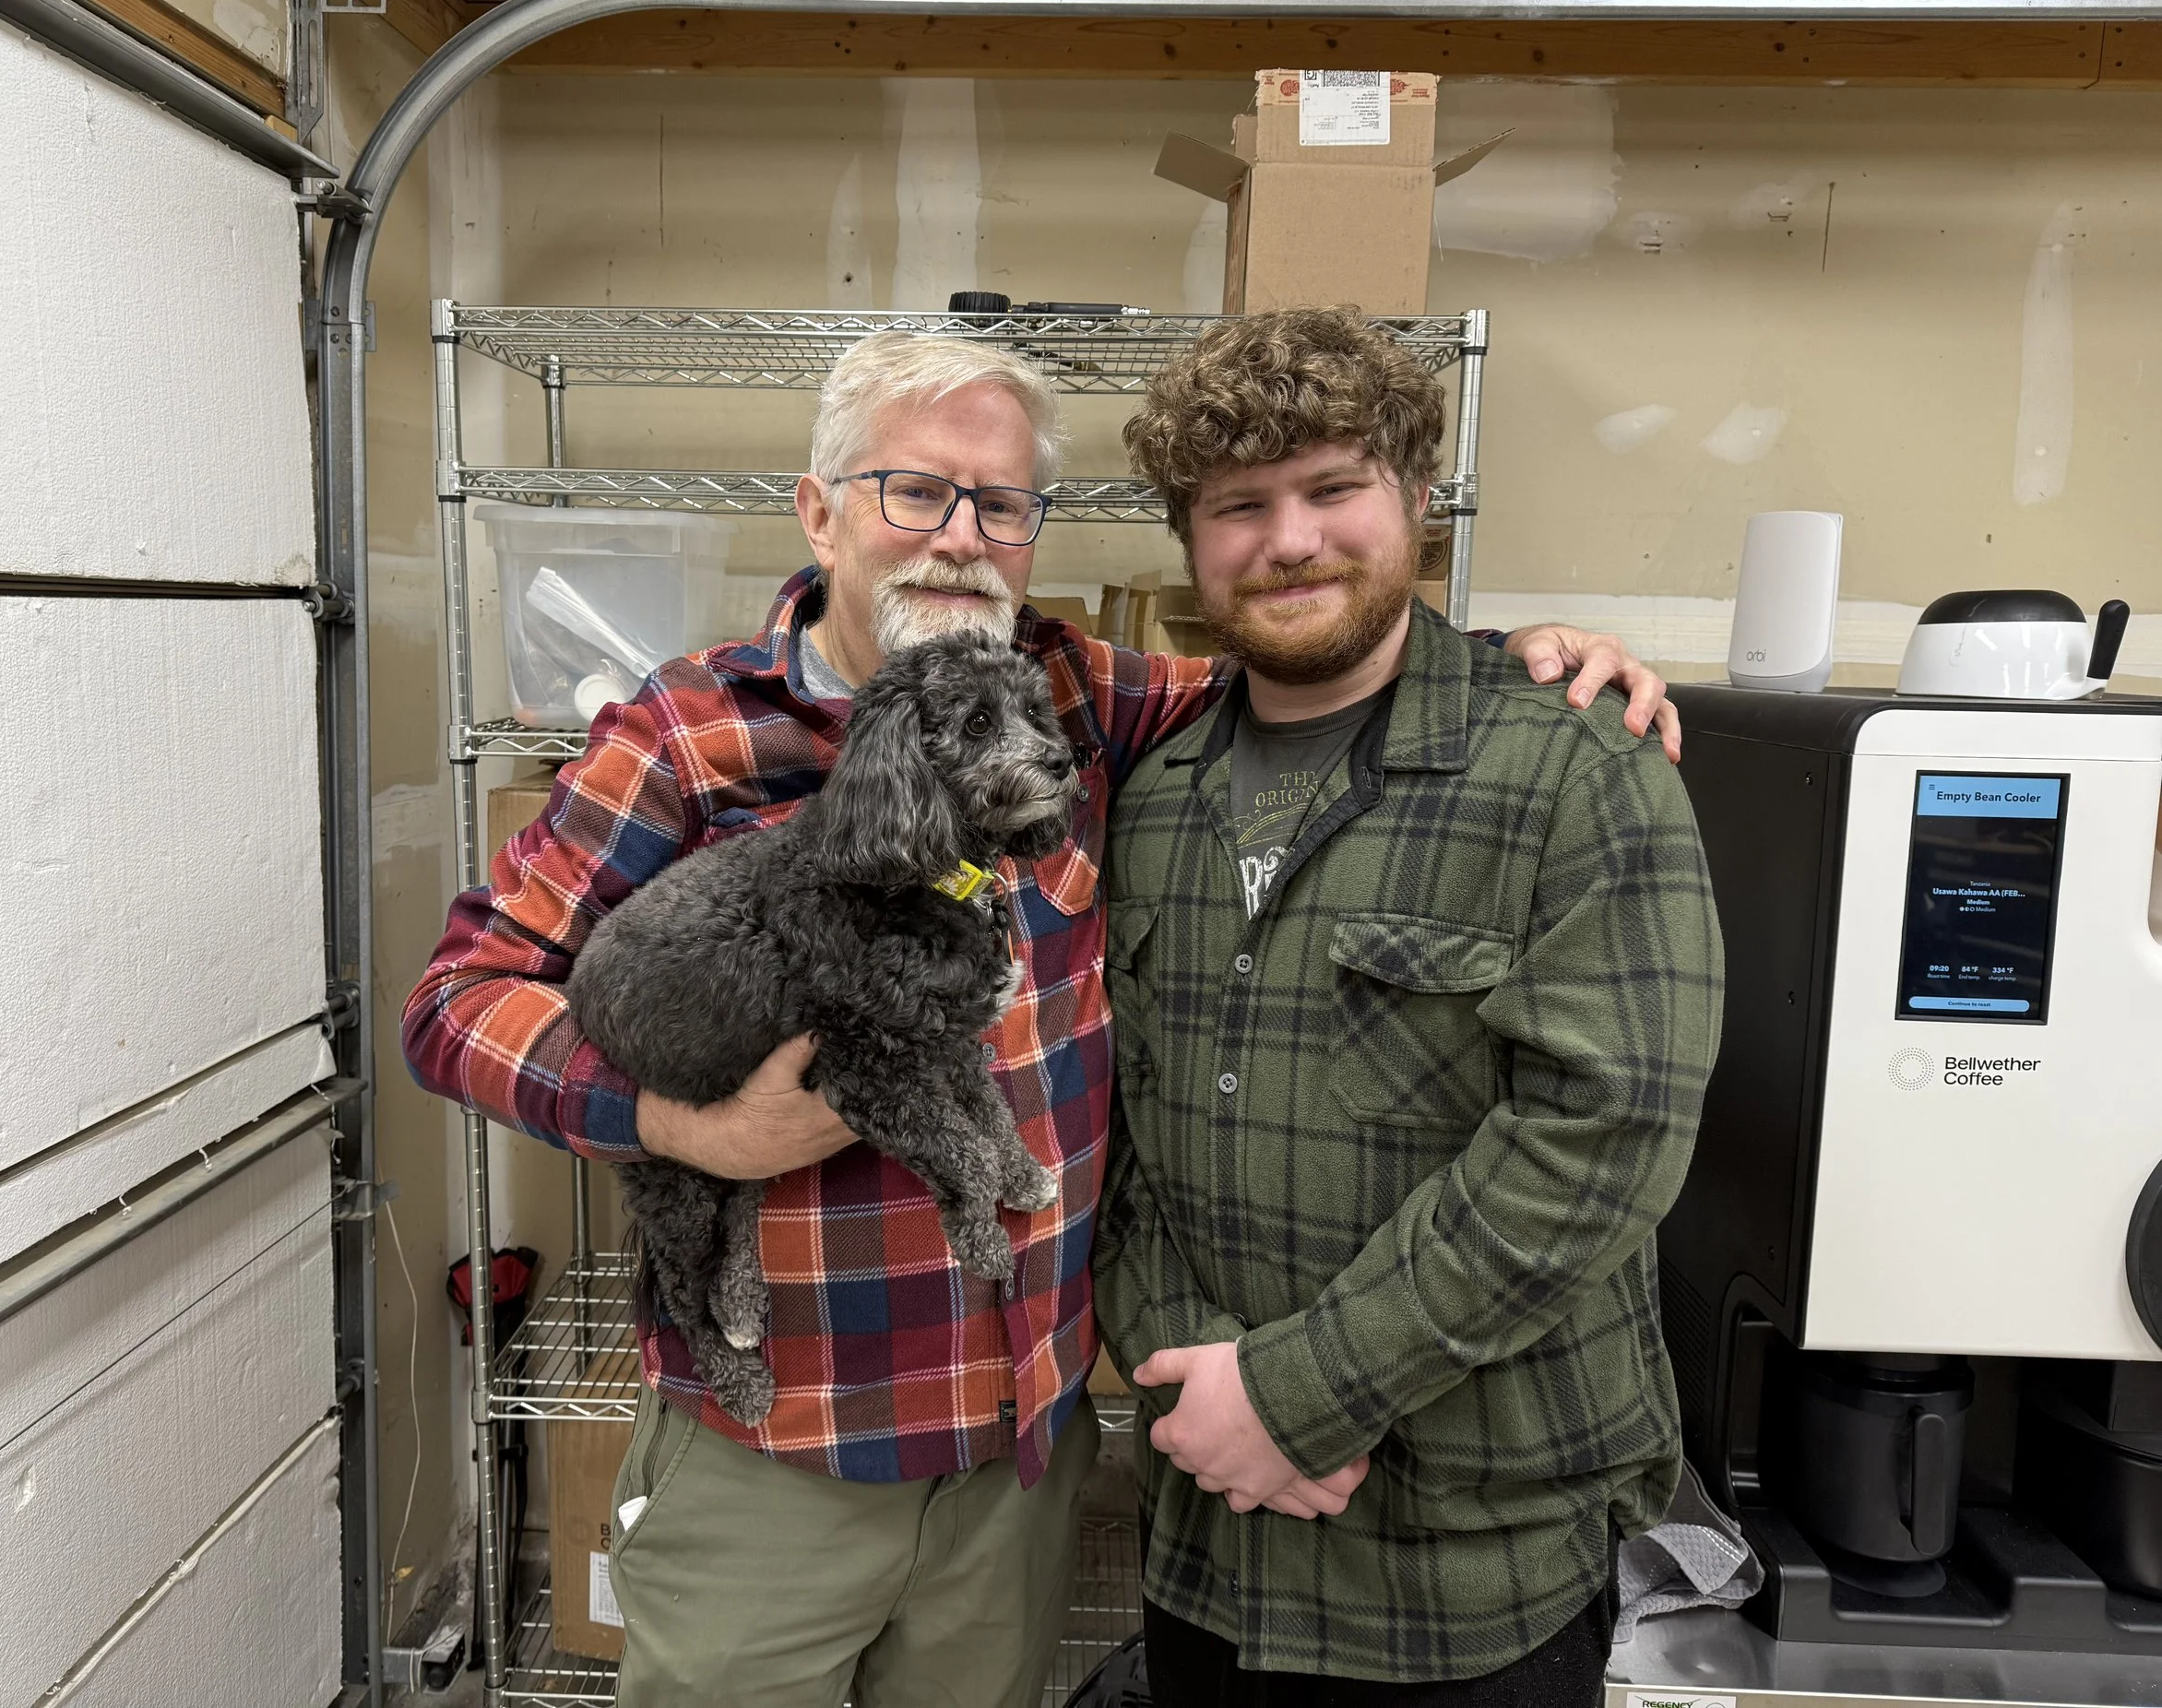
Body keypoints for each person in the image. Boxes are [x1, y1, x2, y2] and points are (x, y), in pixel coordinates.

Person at [399, 328, 1678, 1708]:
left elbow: (1309, 658)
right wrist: (679, 1122)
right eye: (914, 491)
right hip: (777, 1451)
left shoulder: (1079, 692)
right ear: (819, 507)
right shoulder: (687, 735)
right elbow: (456, 1001)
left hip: (1017, 1449)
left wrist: (1510, 659)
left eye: (1000, 505)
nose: (960, 537)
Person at [1094, 307, 1726, 1706]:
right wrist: (1193, 1387)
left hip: (1467, 1571)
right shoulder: (1150, 796)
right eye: (1239, 506)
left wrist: (1302, 1393)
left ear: (1415, 499)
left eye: (1333, 488)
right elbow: (1117, 1140)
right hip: (1209, 1544)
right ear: (1189, 541)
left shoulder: (1577, 770)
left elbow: (1601, 1140)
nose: (1291, 539)